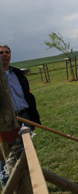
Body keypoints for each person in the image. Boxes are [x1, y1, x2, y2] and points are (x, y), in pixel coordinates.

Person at [0, 44, 41, 188]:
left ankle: (32, 184)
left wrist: (33, 119)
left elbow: (28, 95)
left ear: (10, 55)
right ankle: (9, 188)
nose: (4, 55)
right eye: (1, 53)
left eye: (7, 52)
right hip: (4, 123)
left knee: (28, 153)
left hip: (24, 116)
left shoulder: (17, 73)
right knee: (6, 158)